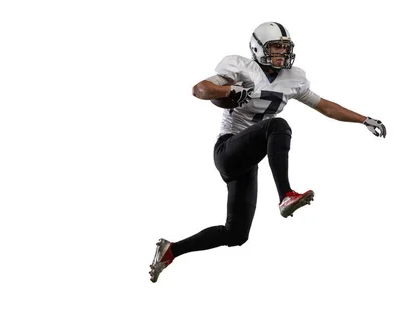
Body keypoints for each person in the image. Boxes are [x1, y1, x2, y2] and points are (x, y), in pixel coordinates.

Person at [149, 22, 386, 283]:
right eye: (276, 48)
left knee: (236, 234)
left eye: (285, 48)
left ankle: (171, 250)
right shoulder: (240, 67)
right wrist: (230, 89)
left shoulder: (293, 78)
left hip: (248, 161)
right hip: (228, 150)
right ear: (258, 48)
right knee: (277, 125)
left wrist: (364, 119)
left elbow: (325, 106)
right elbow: (200, 89)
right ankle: (285, 195)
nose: (282, 53)